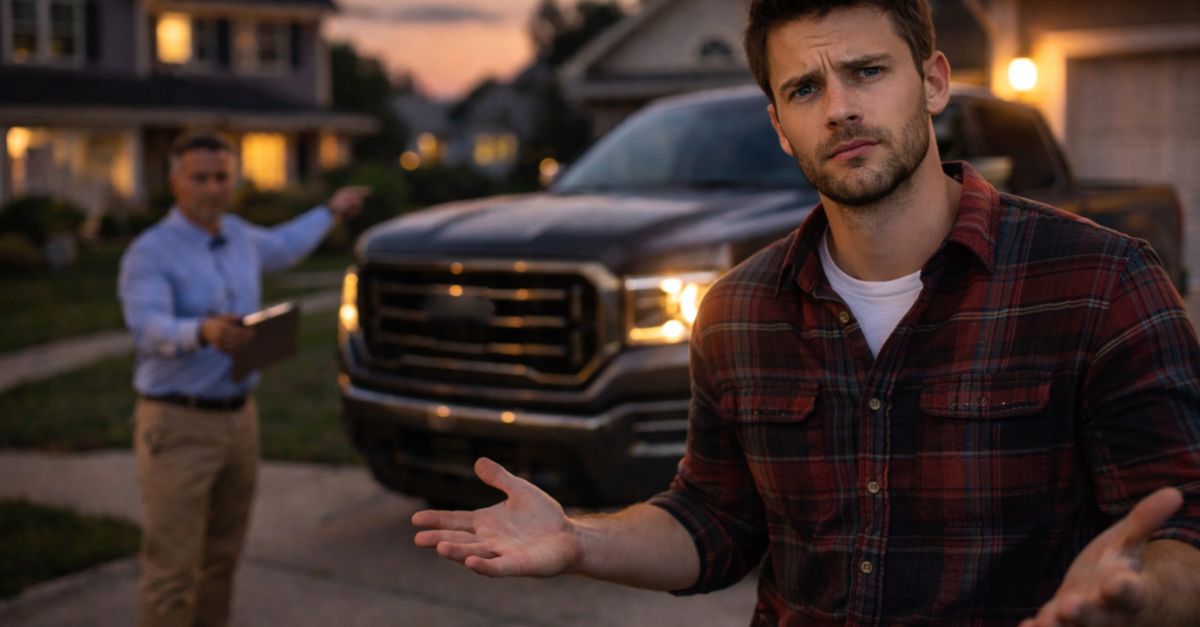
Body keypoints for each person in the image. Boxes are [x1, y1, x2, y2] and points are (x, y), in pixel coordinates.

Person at [412, 1, 1200, 625]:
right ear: (780, 127)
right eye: (805, 88)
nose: (839, 109)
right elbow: (714, 520)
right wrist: (577, 540)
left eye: (866, 71)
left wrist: (1136, 596)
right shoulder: (738, 312)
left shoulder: (1100, 284)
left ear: (932, 81)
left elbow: (1184, 531)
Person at [118, 131, 367, 627]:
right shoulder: (151, 252)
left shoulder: (239, 236)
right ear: (174, 183)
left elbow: (285, 245)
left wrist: (331, 211)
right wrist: (201, 331)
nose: (212, 189)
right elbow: (146, 327)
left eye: (221, 177)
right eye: (200, 178)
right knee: (173, 570)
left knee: (222, 558)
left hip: (239, 421)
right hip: (178, 425)